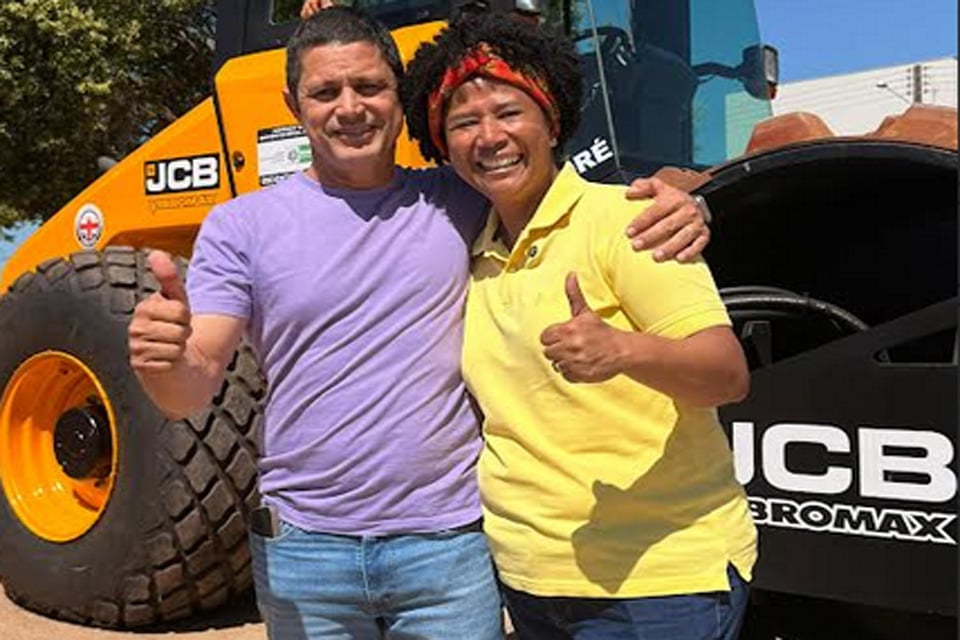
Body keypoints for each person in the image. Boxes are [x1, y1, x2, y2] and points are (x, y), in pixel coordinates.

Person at [128, 6, 711, 639]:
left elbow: (573, 194)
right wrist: (167, 362)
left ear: (400, 98)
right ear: (293, 104)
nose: (350, 108)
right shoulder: (240, 227)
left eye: (369, 87)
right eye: (325, 92)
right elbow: (191, 385)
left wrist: (684, 197)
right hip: (306, 550)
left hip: (447, 547)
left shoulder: (460, 196)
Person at [403, 13, 757, 640]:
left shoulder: (626, 222)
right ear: (442, 144)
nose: (489, 136)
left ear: (552, 120)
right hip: (533, 581)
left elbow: (726, 374)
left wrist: (624, 351)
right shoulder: (469, 251)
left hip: (657, 582)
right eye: (464, 123)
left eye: (509, 112)